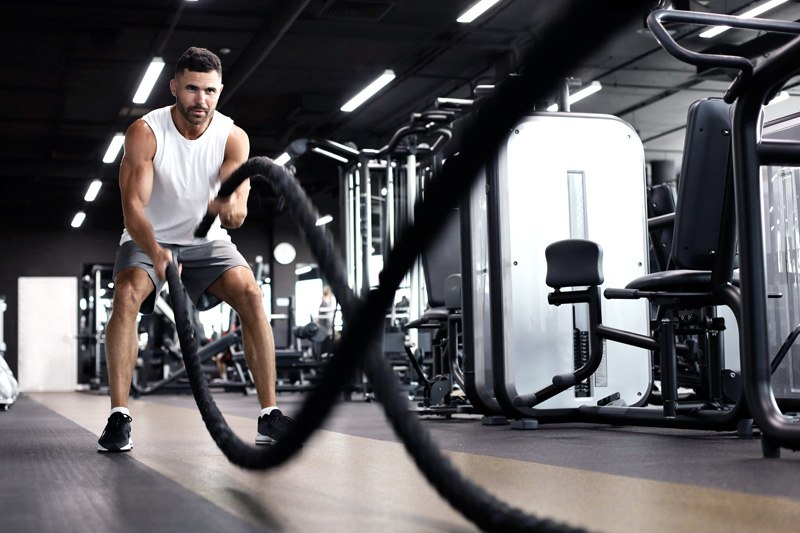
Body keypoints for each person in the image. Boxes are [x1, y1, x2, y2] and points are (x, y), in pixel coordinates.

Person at [97, 46, 292, 452]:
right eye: (191, 89)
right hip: (149, 235)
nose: (200, 100)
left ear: (220, 91)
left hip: (207, 240)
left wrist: (232, 206)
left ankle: (268, 415)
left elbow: (236, 216)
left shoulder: (232, 136)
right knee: (126, 294)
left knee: (252, 294)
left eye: (209, 91)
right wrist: (158, 251)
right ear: (174, 88)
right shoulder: (145, 132)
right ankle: (119, 416)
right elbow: (133, 208)